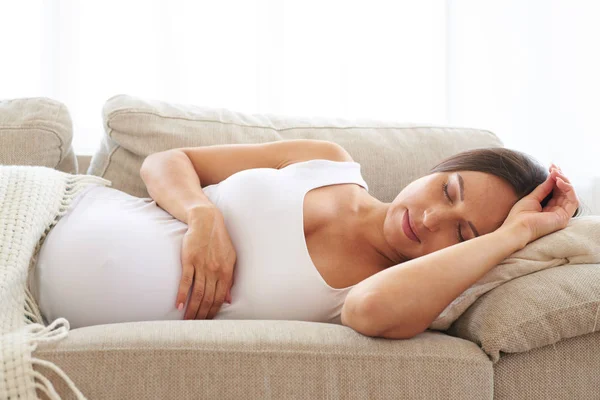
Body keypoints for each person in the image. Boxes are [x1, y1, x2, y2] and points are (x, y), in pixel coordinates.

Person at [31, 139, 580, 335]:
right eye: (447, 188)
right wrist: (203, 217)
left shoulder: (388, 289)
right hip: (41, 209)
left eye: (461, 233)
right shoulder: (329, 162)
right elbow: (168, 161)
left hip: (28, 313)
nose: (430, 218)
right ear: (436, 168)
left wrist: (516, 234)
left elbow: (368, 312)